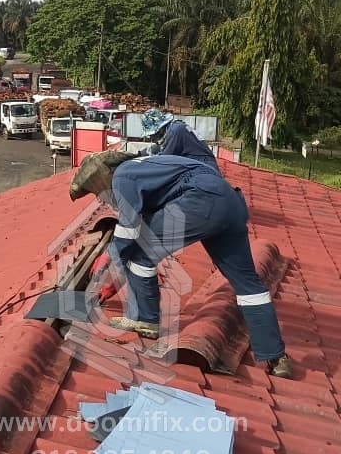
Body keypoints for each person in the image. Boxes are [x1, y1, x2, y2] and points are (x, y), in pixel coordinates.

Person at [105, 109, 291, 378]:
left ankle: (146, 319)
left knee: (140, 254)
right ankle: (277, 357)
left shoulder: (123, 175)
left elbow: (129, 227)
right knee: (250, 286)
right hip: (230, 203)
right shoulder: (155, 165)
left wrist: (113, 262)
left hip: (200, 201)